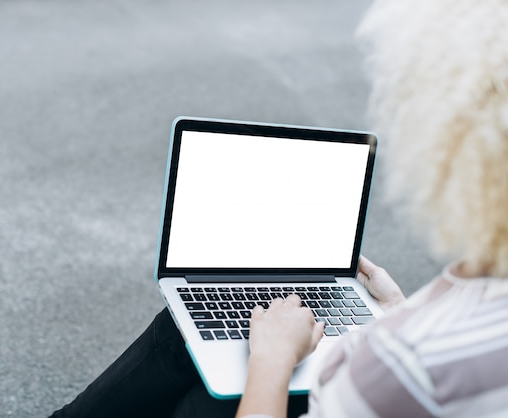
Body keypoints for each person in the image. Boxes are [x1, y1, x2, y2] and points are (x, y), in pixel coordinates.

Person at [50, 0, 508, 416]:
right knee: (188, 334)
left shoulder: (402, 368)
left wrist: (272, 357)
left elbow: (409, 372)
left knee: (204, 386)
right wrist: (393, 311)